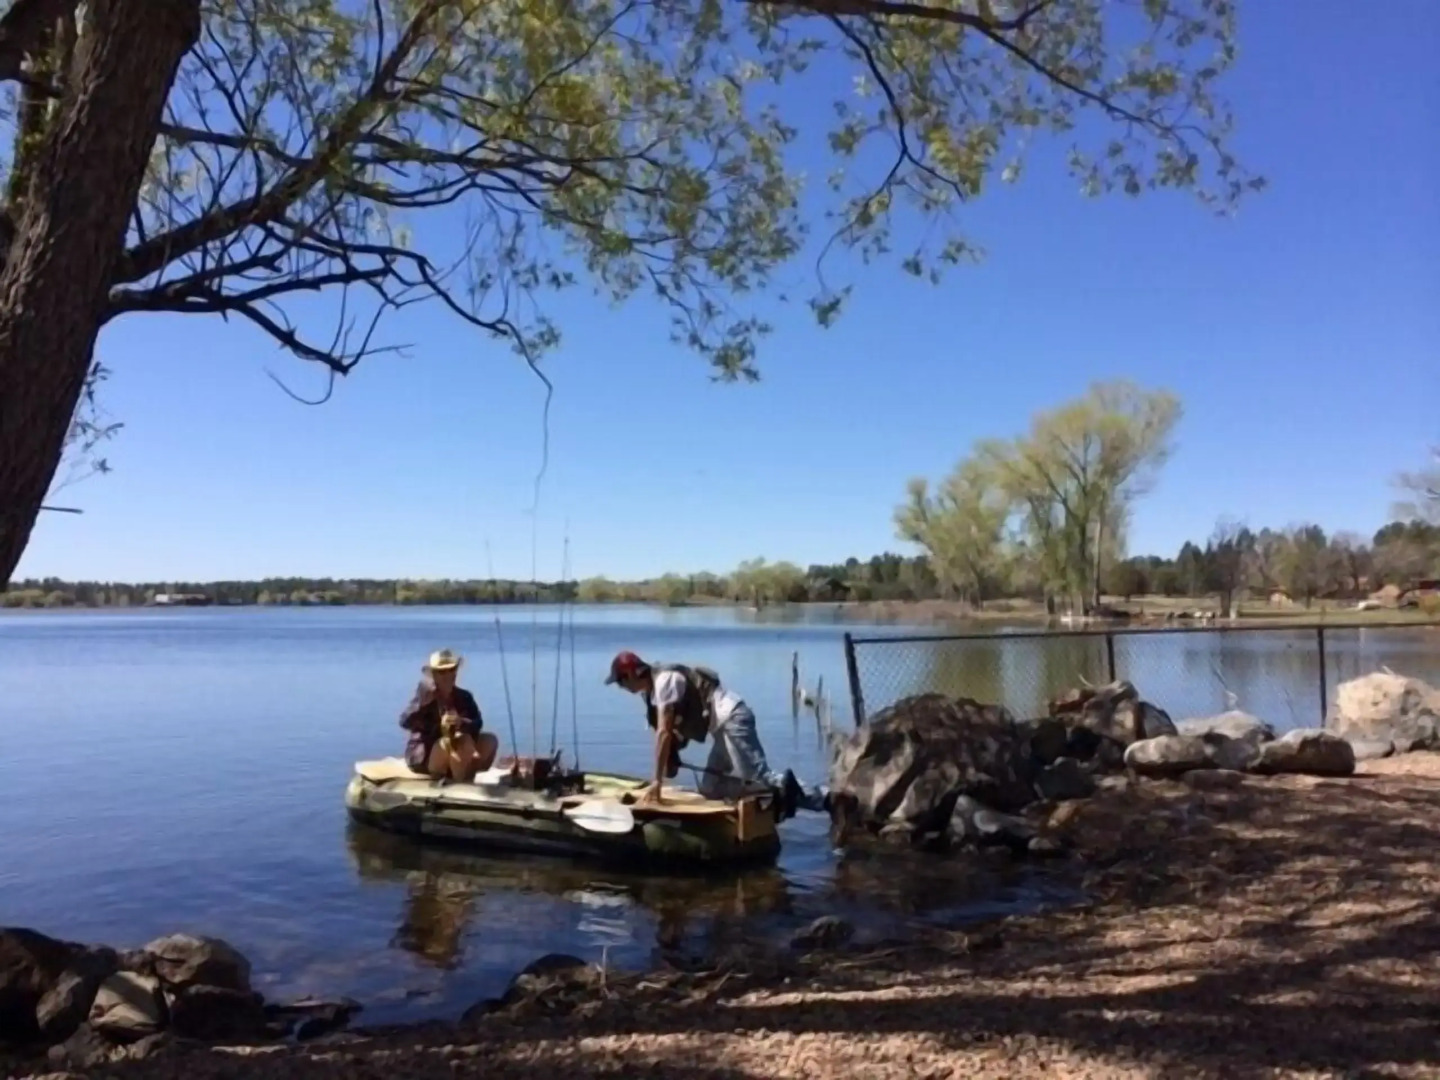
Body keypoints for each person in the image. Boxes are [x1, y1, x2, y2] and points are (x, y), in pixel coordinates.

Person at [604, 650, 826, 817]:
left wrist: (657, 782)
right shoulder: (651, 695)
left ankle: (828, 799)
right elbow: (673, 733)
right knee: (711, 789)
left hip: (732, 718)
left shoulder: (664, 681)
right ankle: (755, 808)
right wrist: (673, 753)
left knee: (758, 777)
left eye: (621, 680)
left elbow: (663, 733)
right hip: (720, 727)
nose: (621, 687)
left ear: (632, 673)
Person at [400, 649, 499, 782]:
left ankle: (464, 773)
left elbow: (478, 723)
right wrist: (422, 706)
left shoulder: (464, 696)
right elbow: (405, 721)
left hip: (458, 747)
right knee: (457, 744)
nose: (448, 675)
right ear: (434, 675)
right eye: (442, 672)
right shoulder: (425, 696)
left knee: (489, 740)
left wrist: (461, 722)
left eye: (451, 670)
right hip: (427, 754)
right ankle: (459, 782)